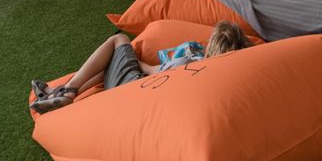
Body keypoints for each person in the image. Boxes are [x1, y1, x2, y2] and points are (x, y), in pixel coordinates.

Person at [29, 20, 252, 113]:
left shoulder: (190, 60)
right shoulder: (219, 81)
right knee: (113, 63)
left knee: (119, 41)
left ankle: (69, 89)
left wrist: (137, 61)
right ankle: (58, 91)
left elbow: (149, 70)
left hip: (135, 89)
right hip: (143, 95)